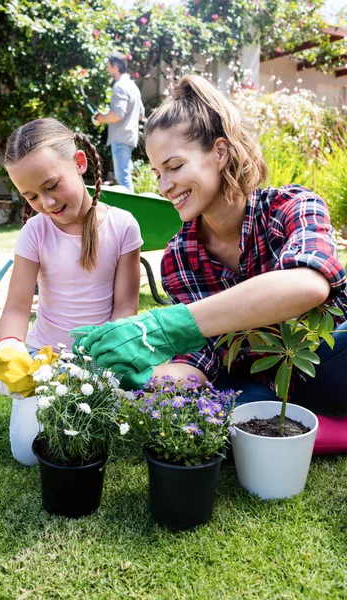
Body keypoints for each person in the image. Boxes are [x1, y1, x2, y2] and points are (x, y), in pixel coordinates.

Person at [71, 74, 347, 453]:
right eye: (157, 173)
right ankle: (314, 431)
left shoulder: (292, 207)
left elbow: (309, 284)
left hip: (327, 359)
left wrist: (165, 324)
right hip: (260, 382)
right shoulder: (179, 257)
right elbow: (205, 356)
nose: (164, 185)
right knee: (219, 431)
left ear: (219, 152)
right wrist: (141, 375)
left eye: (175, 166)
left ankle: (309, 427)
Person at [0, 117, 143, 463]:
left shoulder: (122, 226)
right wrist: (10, 348)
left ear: (79, 163)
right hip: (42, 362)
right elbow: (16, 308)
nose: (45, 203)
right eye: (30, 196)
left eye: (51, 185)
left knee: (86, 447)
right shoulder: (35, 232)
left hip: (97, 361)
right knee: (28, 454)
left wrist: (102, 367)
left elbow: (125, 310)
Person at [93, 51, 145, 193]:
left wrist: (100, 118)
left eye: (109, 66)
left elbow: (117, 115)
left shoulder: (120, 86)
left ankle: (132, 212)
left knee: (123, 180)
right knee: (124, 176)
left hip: (121, 137)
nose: (107, 69)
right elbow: (141, 115)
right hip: (130, 137)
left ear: (115, 67)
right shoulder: (133, 86)